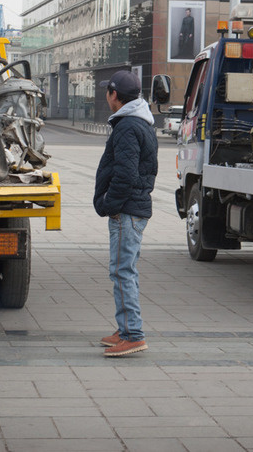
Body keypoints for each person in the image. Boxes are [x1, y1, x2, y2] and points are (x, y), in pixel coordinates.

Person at [93, 70, 159, 357]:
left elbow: (125, 174)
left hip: (127, 211)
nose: (106, 96)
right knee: (124, 270)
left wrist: (110, 204)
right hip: (133, 208)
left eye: (107, 91)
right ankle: (124, 329)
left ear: (115, 95)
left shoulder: (127, 127)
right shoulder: (140, 122)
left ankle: (133, 334)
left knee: (122, 272)